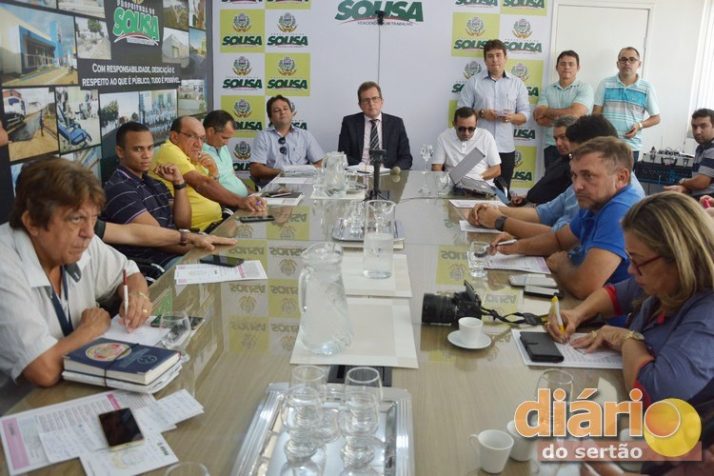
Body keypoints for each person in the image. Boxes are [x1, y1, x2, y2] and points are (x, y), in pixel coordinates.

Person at [547, 192, 714, 413]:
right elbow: (615, 294)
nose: (631, 270)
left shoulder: (707, 313)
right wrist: (578, 313)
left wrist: (625, 338)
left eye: (639, 261)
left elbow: (654, 396)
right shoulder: (667, 280)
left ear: (679, 258)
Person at [0, 159, 152, 386]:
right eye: (76, 219)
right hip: (25, 401)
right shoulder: (5, 264)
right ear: (32, 222)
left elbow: (129, 274)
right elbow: (43, 370)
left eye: (93, 218)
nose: (89, 233)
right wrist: (89, 330)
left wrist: (137, 296)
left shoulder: (80, 241)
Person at [490, 137, 642, 299]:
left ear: (621, 178)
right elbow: (558, 241)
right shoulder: (596, 200)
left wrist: (562, 265)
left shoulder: (621, 209)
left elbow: (583, 286)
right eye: (574, 176)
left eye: (588, 176)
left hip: (605, 313)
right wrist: (515, 247)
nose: (576, 186)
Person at [470, 115, 643, 240]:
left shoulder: (616, 202)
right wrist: (494, 210)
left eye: (579, 155)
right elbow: (543, 214)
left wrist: (500, 221)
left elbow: (560, 239)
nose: (577, 184)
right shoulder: (584, 182)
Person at [152, 116, 265, 231]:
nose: (199, 144)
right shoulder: (169, 150)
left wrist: (213, 172)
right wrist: (240, 201)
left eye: (202, 139)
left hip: (219, 222)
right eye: (192, 136)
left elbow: (211, 190)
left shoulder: (192, 154)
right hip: (199, 231)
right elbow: (202, 184)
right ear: (174, 137)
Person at [103, 122, 191, 268]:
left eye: (150, 148)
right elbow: (158, 238)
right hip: (158, 264)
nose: (146, 155)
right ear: (120, 152)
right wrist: (204, 245)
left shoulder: (155, 183)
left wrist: (179, 183)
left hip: (179, 252)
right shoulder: (118, 189)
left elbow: (184, 224)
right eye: (138, 149)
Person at [458, 39, 530, 187]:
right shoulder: (473, 82)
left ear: (505, 58)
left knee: (502, 193)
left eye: (498, 55)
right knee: (469, 188)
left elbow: (525, 115)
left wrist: (512, 117)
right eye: (490, 56)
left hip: (506, 148)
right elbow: (461, 113)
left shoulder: (517, 83)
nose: (495, 59)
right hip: (476, 147)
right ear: (485, 60)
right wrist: (481, 113)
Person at [593, 47, 661, 160]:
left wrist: (639, 125)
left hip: (631, 147)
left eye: (632, 59)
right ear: (618, 64)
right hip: (606, 145)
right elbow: (596, 115)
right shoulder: (605, 84)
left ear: (639, 64)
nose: (627, 63)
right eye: (623, 59)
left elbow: (656, 118)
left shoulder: (646, 88)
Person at [533, 50, 593, 170]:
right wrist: (568, 118)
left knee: (577, 181)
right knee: (552, 181)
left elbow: (575, 113)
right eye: (563, 64)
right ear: (557, 67)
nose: (567, 67)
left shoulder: (585, 88)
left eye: (571, 64)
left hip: (577, 146)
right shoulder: (547, 90)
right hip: (552, 146)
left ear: (578, 67)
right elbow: (539, 117)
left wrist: (547, 111)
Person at [250, 95, 324, 187]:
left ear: (292, 113)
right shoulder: (263, 136)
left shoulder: (305, 135)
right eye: (277, 110)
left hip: (303, 187)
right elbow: (256, 169)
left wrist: (303, 172)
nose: (282, 112)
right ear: (270, 117)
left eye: (285, 109)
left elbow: (321, 164)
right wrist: (284, 172)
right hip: (274, 189)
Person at [338, 81, 413, 170]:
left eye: (375, 98)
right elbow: (342, 155)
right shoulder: (349, 123)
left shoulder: (396, 123)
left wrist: (395, 170)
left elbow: (406, 157)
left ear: (382, 102)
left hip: (388, 174)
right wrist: (363, 167)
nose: (371, 103)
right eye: (366, 100)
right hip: (359, 172)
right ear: (360, 105)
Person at [511, 115, 578, 206]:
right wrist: (526, 198)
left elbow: (562, 204)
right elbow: (546, 186)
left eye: (563, 137)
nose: (558, 143)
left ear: (576, 137)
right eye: (556, 139)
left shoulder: (577, 167)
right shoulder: (561, 161)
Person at [431, 107, 501, 184]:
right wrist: (443, 183)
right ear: (454, 124)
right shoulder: (444, 137)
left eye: (471, 129)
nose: (466, 133)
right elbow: (436, 167)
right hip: (452, 185)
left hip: (481, 185)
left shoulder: (486, 136)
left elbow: (496, 170)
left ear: (476, 124)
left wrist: (475, 180)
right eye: (461, 129)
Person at [664, 108, 714, 197]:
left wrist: (682, 181)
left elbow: (701, 183)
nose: (697, 132)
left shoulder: (712, 148)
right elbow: (701, 186)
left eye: (703, 126)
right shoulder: (700, 148)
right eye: (694, 127)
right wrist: (683, 188)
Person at [202, 110, 250, 197]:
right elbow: (209, 189)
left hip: (244, 200)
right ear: (210, 131)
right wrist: (240, 202)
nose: (227, 143)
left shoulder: (223, 147)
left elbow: (233, 176)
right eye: (224, 138)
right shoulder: (199, 153)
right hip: (228, 203)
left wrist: (254, 194)